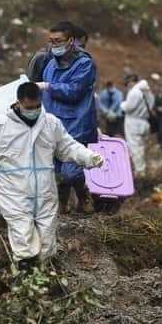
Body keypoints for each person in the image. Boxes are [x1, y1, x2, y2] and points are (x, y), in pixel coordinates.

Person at [0, 82, 103, 270]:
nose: (33, 111)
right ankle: (25, 275)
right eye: (29, 107)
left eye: (37, 106)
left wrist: (88, 157)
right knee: (23, 238)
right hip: (14, 192)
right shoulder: (0, 124)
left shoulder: (50, 123)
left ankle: (44, 276)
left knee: (47, 241)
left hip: (45, 191)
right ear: (18, 102)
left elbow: (67, 147)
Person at [38, 21, 98, 213]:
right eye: (51, 41)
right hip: (52, 123)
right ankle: (62, 205)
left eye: (58, 41)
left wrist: (49, 86)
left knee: (71, 171)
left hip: (76, 124)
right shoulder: (50, 66)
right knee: (55, 170)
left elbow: (75, 91)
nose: (54, 45)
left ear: (71, 40)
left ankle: (83, 195)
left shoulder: (84, 64)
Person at [120, 74, 155, 177]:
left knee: (135, 148)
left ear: (131, 81)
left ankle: (140, 173)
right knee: (142, 148)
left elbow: (129, 107)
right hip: (144, 122)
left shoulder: (135, 92)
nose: (127, 86)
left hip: (134, 123)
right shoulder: (148, 92)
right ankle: (143, 169)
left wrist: (122, 104)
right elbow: (152, 105)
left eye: (127, 84)